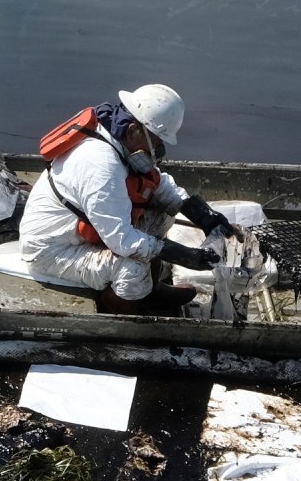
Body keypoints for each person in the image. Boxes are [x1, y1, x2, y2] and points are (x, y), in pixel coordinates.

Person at [18, 84, 242, 315]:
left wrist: (201, 214)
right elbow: (122, 241)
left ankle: (150, 289)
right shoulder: (100, 166)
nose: (156, 152)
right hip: (52, 251)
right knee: (134, 267)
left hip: (81, 229)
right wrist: (185, 255)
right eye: (155, 143)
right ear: (135, 130)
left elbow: (155, 183)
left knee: (162, 212)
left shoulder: (117, 135)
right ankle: (122, 308)